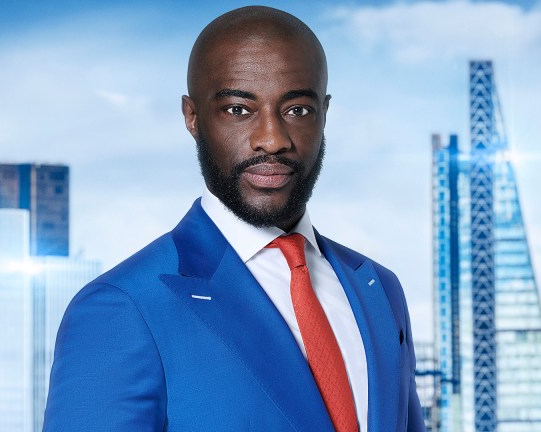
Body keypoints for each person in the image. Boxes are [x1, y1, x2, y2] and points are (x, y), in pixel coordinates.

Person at [43, 6, 425, 432]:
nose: (272, 139)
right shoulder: (122, 309)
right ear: (192, 117)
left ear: (324, 114)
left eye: (297, 110)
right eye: (239, 110)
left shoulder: (378, 288)